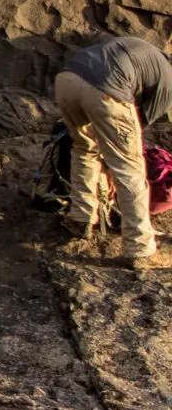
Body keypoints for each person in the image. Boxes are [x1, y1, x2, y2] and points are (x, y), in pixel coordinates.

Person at [55, 34, 172, 268]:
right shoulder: (168, 79)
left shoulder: (144, 50)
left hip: (66, 80)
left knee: (84, 148)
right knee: (129, 168)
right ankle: (140, 249)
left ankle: (81, 218)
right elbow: (139, 124)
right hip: (105, 88)